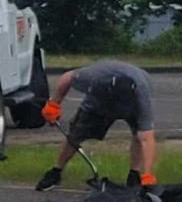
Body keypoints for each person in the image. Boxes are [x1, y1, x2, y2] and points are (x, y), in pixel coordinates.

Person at [35, 60, 159, 192]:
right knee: (76, 133)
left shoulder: (142, 94)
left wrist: (148, 175)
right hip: (99, 103)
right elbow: (67, 77)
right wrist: (54, 104)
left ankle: (135, 176)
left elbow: (146, 138)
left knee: (139, 135)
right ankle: (55, 172)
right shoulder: (95, 77)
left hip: (131, 105)